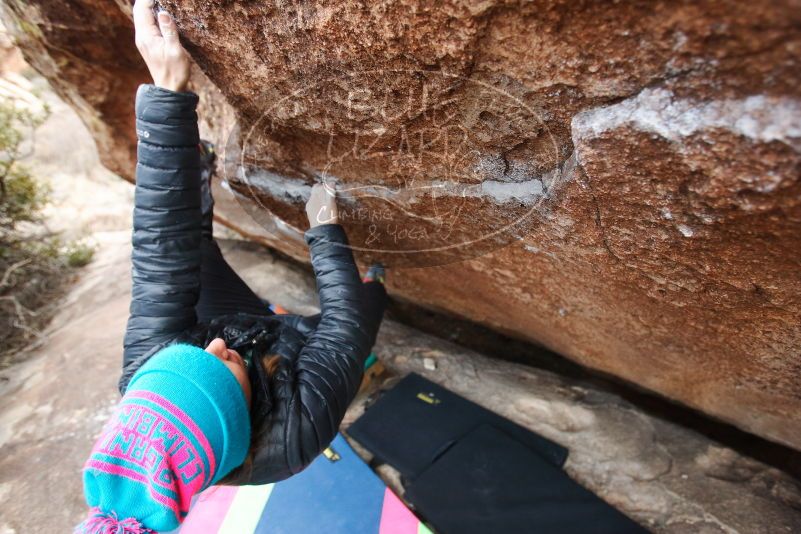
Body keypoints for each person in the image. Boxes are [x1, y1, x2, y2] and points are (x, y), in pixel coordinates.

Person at [75, 0, 386, 531]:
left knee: (191, 254)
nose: (216, 350)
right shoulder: (296, 431)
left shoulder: (152, 373)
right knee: (365, 303)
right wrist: (324, 228)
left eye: (194, 355)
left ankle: (200, 167)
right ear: (234, 421)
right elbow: (343, 326)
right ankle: (374, 287)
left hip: (244, 327)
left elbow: (160, 253)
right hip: (296, 358)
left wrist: (167, 94)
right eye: (218, 368)